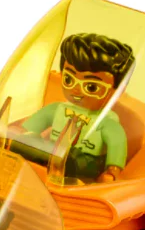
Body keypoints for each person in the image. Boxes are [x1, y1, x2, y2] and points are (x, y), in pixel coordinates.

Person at [13, 33, 134, 183]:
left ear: (117, 91)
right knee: (25, 142)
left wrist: (112, 170)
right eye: (69, 79)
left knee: (71, 160)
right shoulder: (57, 109)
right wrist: (21, 136)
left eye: (91, 87)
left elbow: (116, 144)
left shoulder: (107, 123)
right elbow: (26, 129)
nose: (76, 90)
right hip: (52, 150)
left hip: (85, 160)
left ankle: (49, 159)